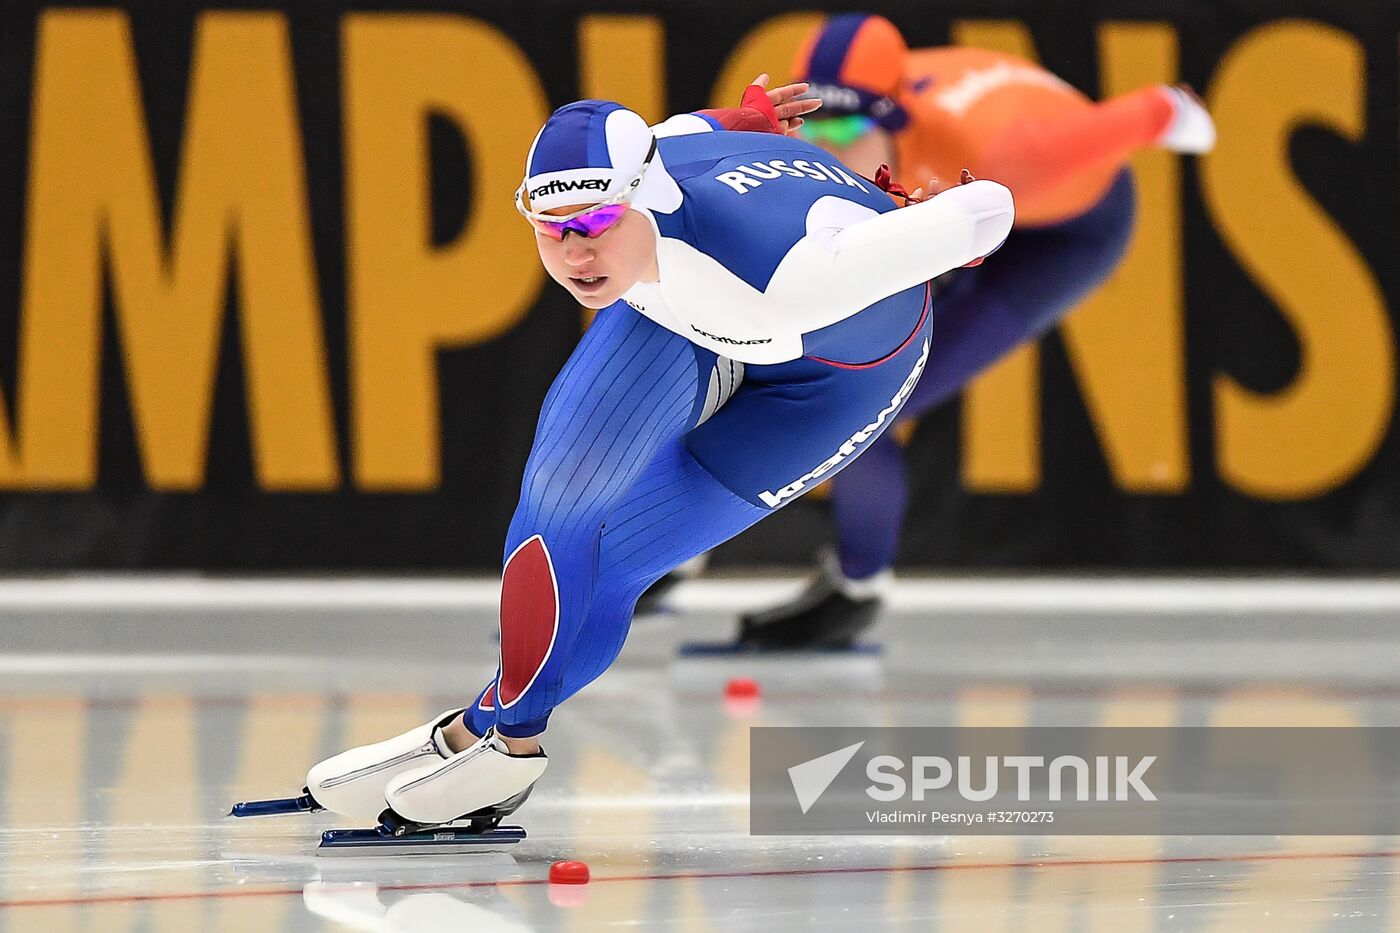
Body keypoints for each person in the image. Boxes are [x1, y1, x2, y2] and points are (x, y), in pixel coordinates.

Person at [297, 79, 1015, 831]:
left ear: (645, 195)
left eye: (599, 220)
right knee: (559, 500)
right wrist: (749, 120)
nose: (578, 252)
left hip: (829, 379)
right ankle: (485, 735)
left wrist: (926, 229)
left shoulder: (791, 281)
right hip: (680, 303)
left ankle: (500, 739)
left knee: (615, 560)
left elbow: (990, 208)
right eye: (552, 229)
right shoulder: (653, 171)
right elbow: (697, 126)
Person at [736, 13, 1216, 649]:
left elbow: (1155, 112)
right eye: (809, 124)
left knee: (867, 405)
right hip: (947, 199)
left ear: (895, 116)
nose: (825, 148)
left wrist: (1179, 113)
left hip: (1060, 233)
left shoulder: (1015, 152)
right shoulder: (869, 128)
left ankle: (857, 590)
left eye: (847, 127)